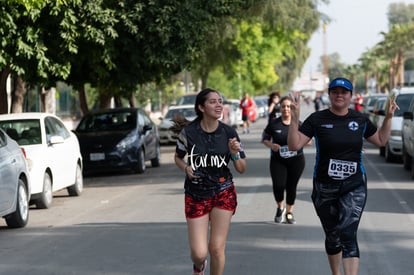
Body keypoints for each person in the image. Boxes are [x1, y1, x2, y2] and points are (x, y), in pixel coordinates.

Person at [287, 77, 399, 275]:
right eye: (335, 92)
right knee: (333, 236)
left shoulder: (360, 119)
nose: (339, 95)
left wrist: (388, 117)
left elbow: (381, 140)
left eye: (344, 92)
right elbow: (294, 145)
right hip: (325, 186)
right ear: (329, 95)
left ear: (350, 96)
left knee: (348, 233)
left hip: (353, 185)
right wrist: (294, 119)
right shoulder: (316, 119)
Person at [172, 88, 247, 275]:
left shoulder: (230, 133)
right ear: (201, 107)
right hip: (196, 194)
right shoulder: (188, 133)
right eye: (213, 101)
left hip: (223, 191)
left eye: (220, 101)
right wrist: (185, 168)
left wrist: (234, 153)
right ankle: (199, 267)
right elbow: (178, 157)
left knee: (216, 248)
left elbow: (241, 168)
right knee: (199, 253)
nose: (219, 104)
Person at [262, 96, 306, 224]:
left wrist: (301, 142)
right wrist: (272, 145)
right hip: (278, 160)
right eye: (283, 106)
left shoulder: (299, 124)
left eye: (289, 106)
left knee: (291, 187)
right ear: (280, 108)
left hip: (296, 160)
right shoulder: (274, 123)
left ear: (292, 108)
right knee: (278, 185)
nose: (286, 109)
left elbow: (308, 140)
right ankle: (280, 207)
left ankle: (289, 212)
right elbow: (265, 138)